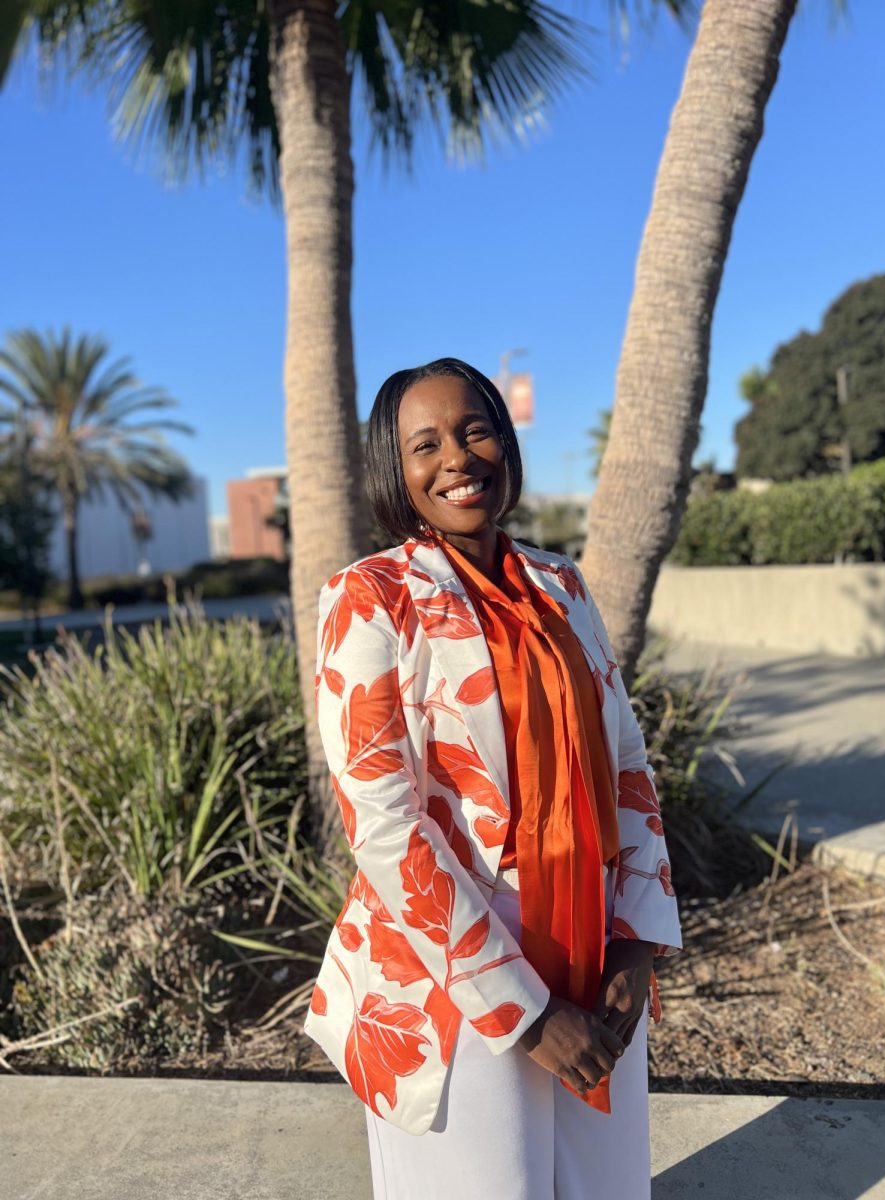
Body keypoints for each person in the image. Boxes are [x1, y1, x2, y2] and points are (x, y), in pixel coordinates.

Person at [304, 357, 683, 1199]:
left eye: (475, 430)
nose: (457, 458)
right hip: (452, 966)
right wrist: (528, 1011)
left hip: (594, 937)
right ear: (394, 471)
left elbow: (626, 762)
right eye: (425, 443)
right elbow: (384, 823)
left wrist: (635, 942)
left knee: (605, 1187)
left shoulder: (562, 584)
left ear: (505, 444)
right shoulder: (370, 597)